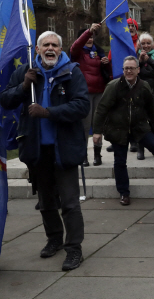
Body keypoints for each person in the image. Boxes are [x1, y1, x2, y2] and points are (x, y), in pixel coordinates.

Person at [1, 31, 89, 271]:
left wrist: (48, 113)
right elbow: (6, 99)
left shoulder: (72, 72)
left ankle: (74, 249)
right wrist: (23, 86)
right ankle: (54, 239)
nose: (50, 48)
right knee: (46, 201)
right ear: (38, 49)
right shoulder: (27, 72)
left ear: (60, 49)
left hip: (65, 148)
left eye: (55, 45)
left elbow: (82, 106)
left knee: (70, 202)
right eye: (45, 45)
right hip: (37, 148)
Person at [92, 56, 154, 205]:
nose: (128, 71)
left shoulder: (144, 86)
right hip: (119, 129)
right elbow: (101, 109)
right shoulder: (113, 86)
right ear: (123, 70)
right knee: (120, 161)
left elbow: (151, 108)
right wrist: (97, 131)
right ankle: (124, 193)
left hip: (140, 127)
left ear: (138, 70)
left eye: (131, 68)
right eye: (126, 68)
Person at [69, 23, 111, 166]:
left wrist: (106, 63)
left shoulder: (98, 52)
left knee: (98, 125)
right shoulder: (77, 53)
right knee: (84, 127)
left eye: (92, 37)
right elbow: (74, 47)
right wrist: (88, 31)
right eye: (88, 37)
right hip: (84, 94)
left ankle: (97, 155)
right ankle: (83, 156)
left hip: (99, 92)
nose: (90, 39)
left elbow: (107, 74)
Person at [106, 17, 140, 154]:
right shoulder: (118, 41)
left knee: (134, 113)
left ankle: (134, 141)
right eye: (128, 25)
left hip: (135, 83)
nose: (130, 28)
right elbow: (110, 60)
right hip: (119, 82)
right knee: (118, 113)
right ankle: (117, 141)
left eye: (132, 25)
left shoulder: (140, 43)